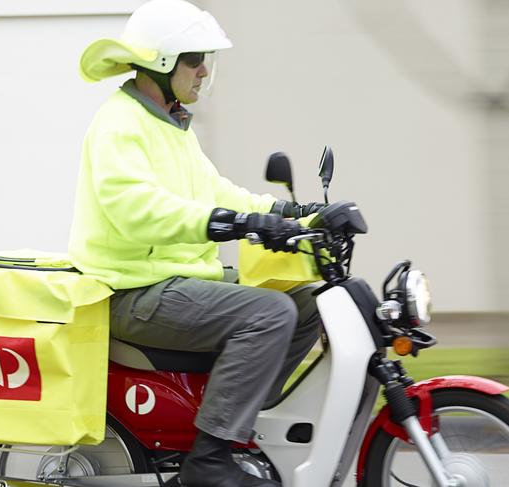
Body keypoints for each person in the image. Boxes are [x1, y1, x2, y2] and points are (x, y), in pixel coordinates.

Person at [69, 1, 322, 485]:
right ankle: (210, 458)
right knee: (269, 315)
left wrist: (291, 213)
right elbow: (138, 210)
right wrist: (229, 223)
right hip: (134, 292)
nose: (204, 70)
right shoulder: (119, 125)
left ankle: (234, 422)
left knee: (308, 302)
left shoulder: (170, 123)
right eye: (194, 59)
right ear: (162, 63)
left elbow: (216, 190)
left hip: (173, 280)